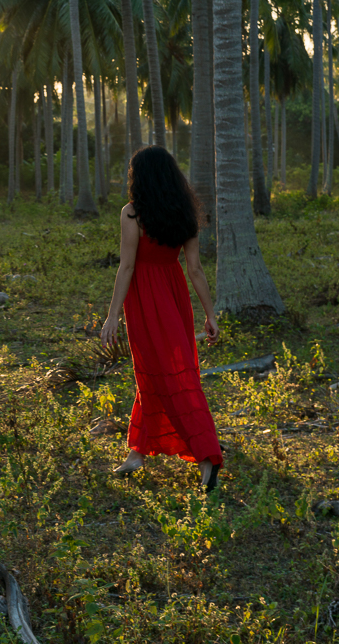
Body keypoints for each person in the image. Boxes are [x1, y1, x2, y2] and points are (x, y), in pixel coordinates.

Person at [100, 145, 223, 492]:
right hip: (174, 295)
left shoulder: (132, 214)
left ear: (139, 177)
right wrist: (209, 315)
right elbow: (195, 269)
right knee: (160, 373)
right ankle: (138, 451)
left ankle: (207, 456)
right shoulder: (185, 211)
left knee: (170, 377)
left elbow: (126, 267)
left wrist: (112, 316)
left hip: (144, 298)